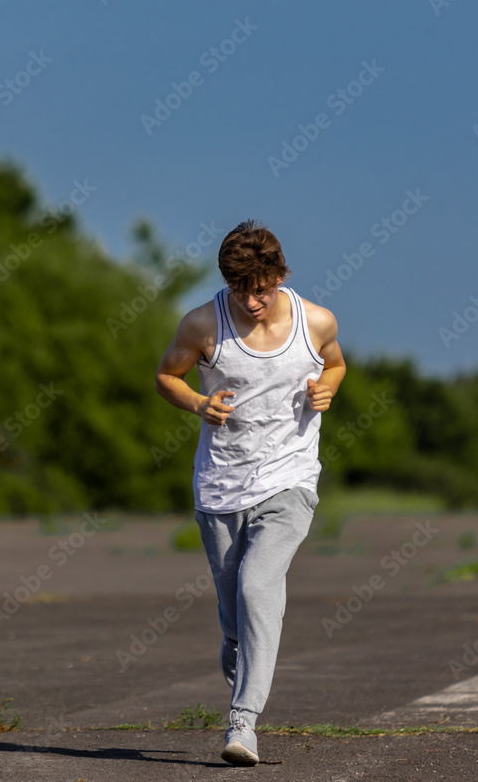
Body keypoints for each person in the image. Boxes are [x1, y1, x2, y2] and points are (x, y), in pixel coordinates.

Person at [155, 219, 346, 766]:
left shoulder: (316, 321)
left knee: (259, 586)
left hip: (289, 479)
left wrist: (325, 389)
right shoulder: (202, 325)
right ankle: (237, 645)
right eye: (241, 289)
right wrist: (198, 404)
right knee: (233, 609)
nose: (252, 300)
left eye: (261, 288)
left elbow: (335, 363)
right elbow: (167, 377)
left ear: (280, 276)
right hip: (220, 485)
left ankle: (243, 723)